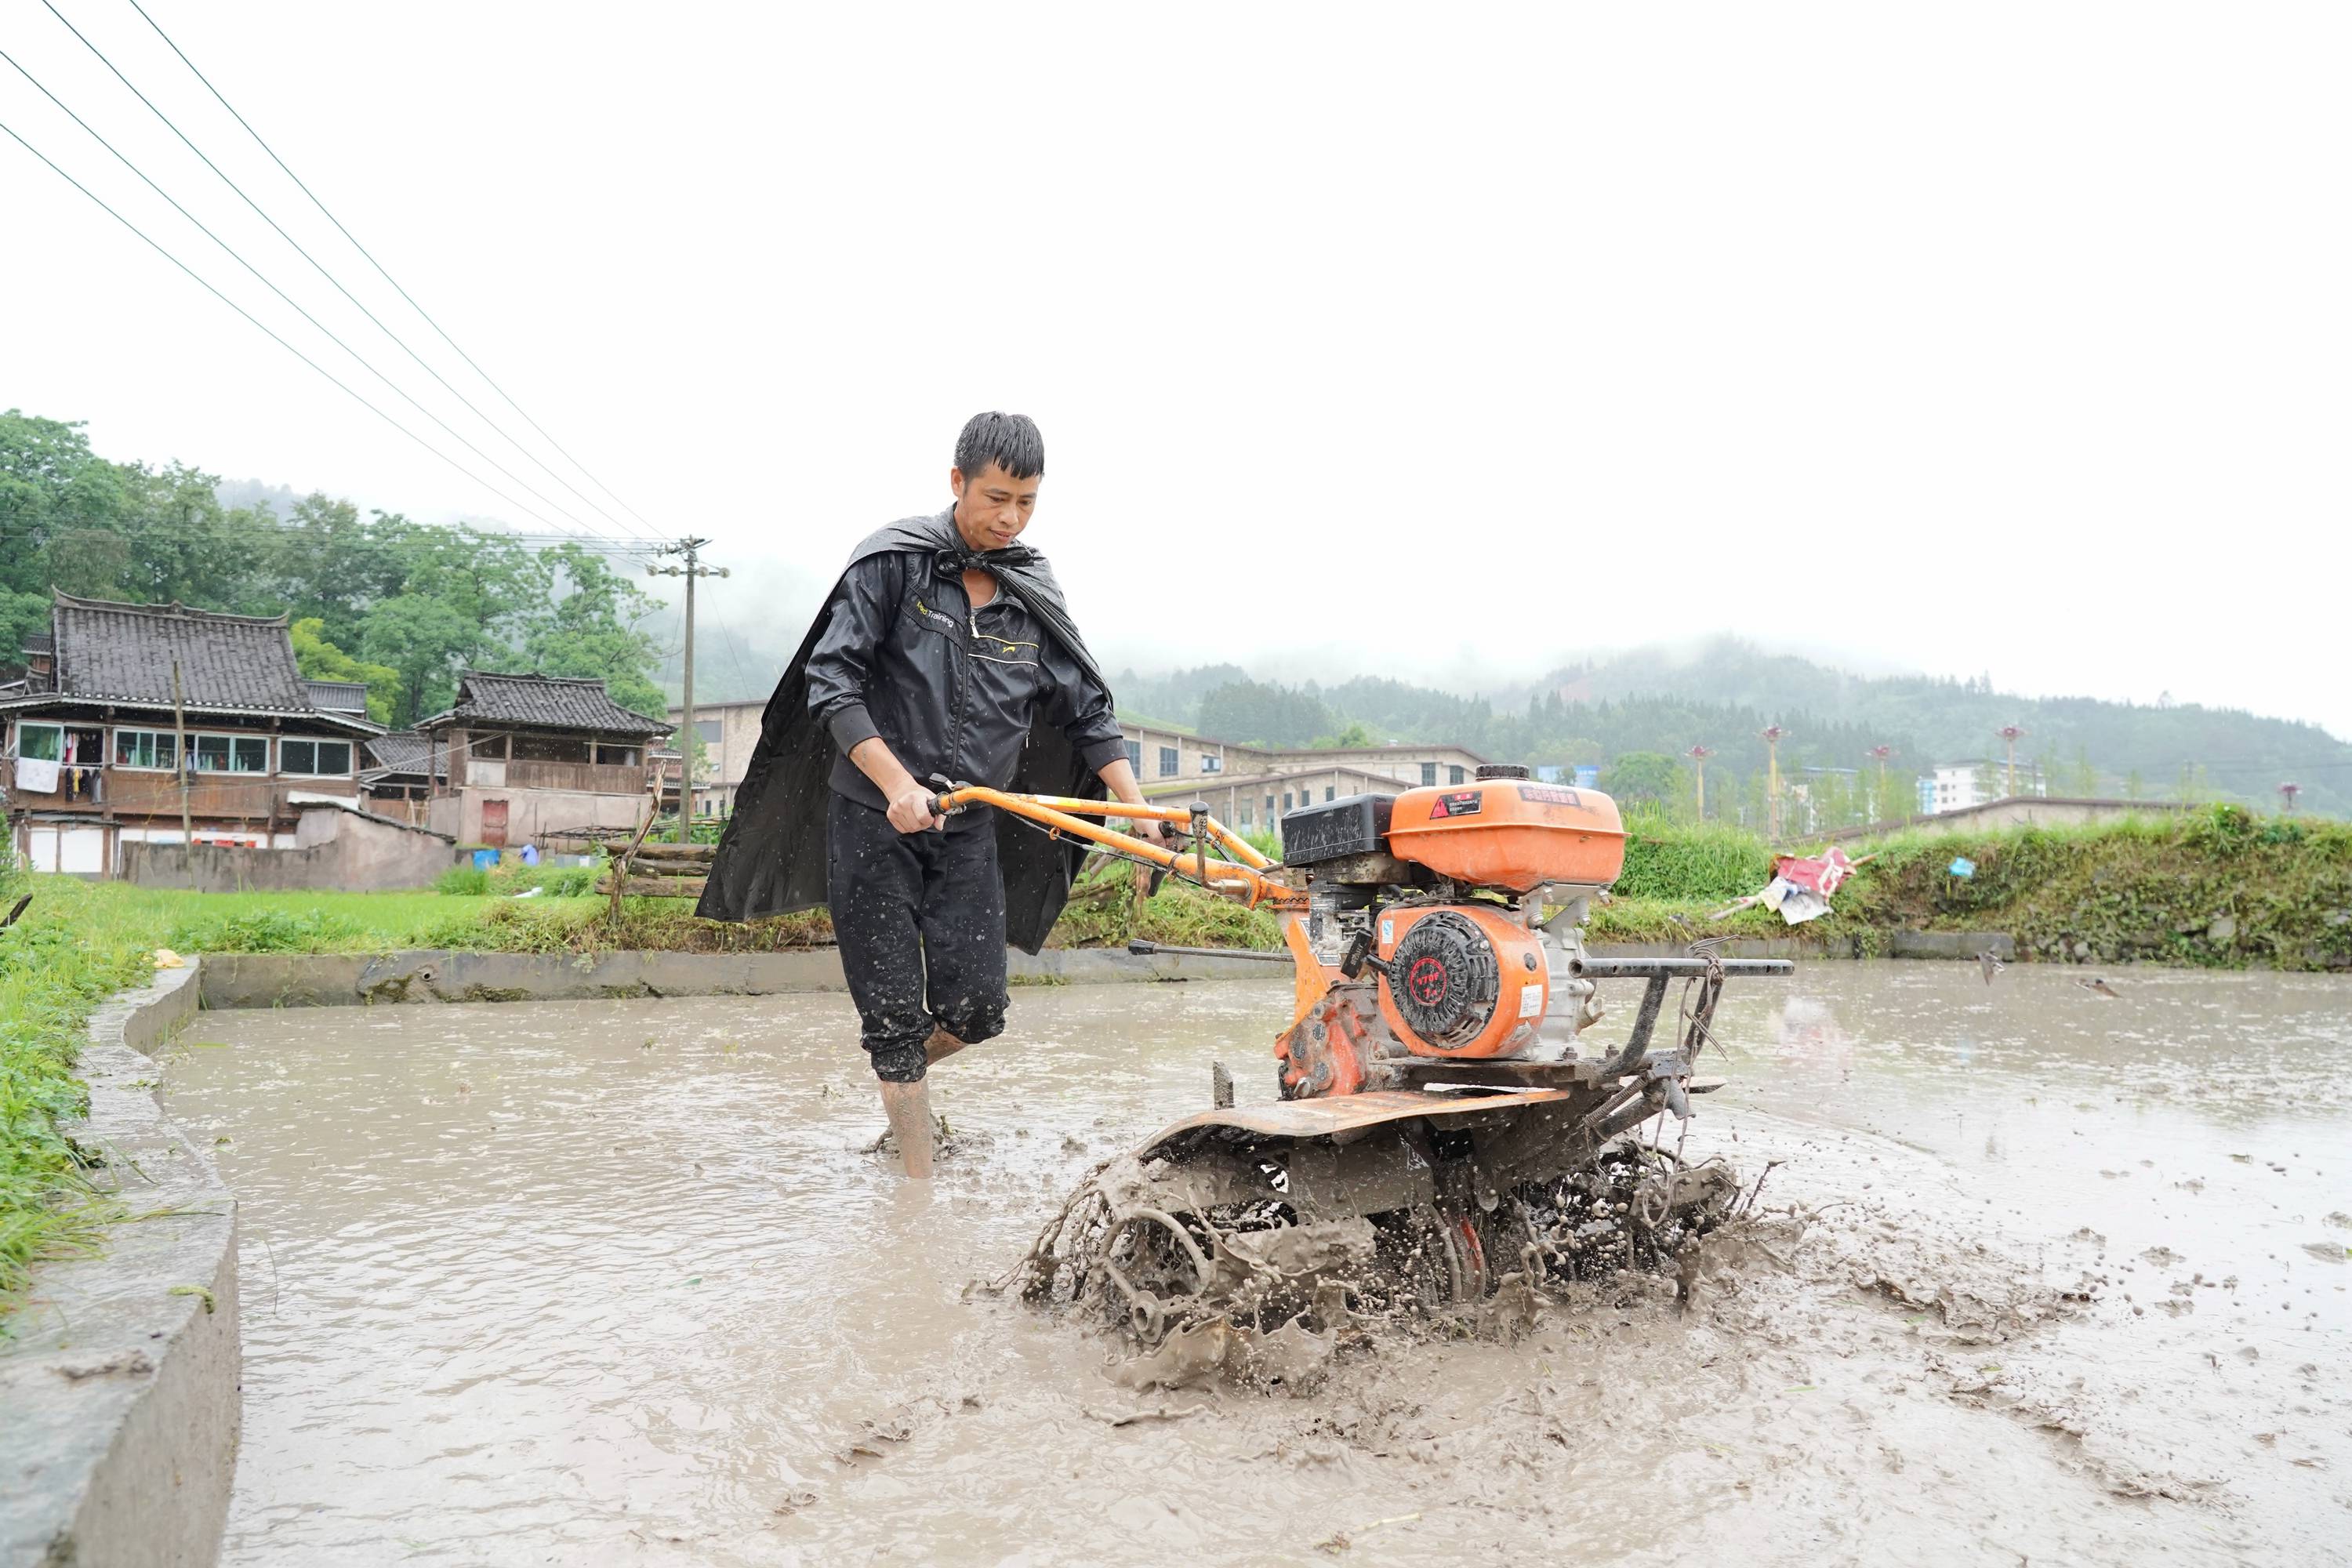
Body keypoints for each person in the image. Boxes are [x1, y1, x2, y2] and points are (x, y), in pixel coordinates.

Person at [695, 412, 1164, 1178]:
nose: (1009, 517)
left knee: (978, 1010)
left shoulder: (1028, 591)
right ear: (957, 483)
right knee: (888, 1012)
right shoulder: (893, 565)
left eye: (1027, 502)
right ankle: (915, 1187)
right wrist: (897, 782)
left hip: (968, 824)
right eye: (996, 497)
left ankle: (900, 1084)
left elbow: (1088, 713)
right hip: (873, 819)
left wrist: (1139, 812)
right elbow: (833, 681)